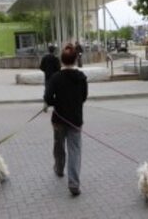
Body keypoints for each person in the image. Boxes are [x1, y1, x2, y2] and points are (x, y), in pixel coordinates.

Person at [44, 43, 88, 197]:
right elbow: (83, 98)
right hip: (75, 119)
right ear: (76, 60)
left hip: (59, 119)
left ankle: (59, 168)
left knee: (58, 145)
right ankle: (74, 183)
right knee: (75, 150)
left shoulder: (56, 77)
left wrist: (58, 103)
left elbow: (48, 98)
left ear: (62, 60)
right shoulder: (81, 77)